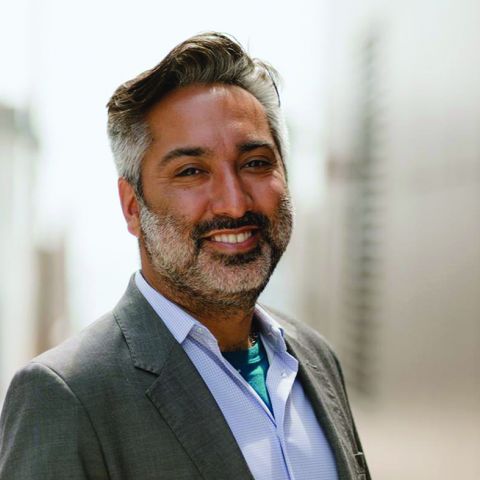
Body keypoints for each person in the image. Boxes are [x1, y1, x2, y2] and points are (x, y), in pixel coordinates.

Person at [0, 32, 370, 480]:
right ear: (132, 206)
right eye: (191, 172)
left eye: (255, 162)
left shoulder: (315, 358)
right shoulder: (66, 395)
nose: (234, 204)